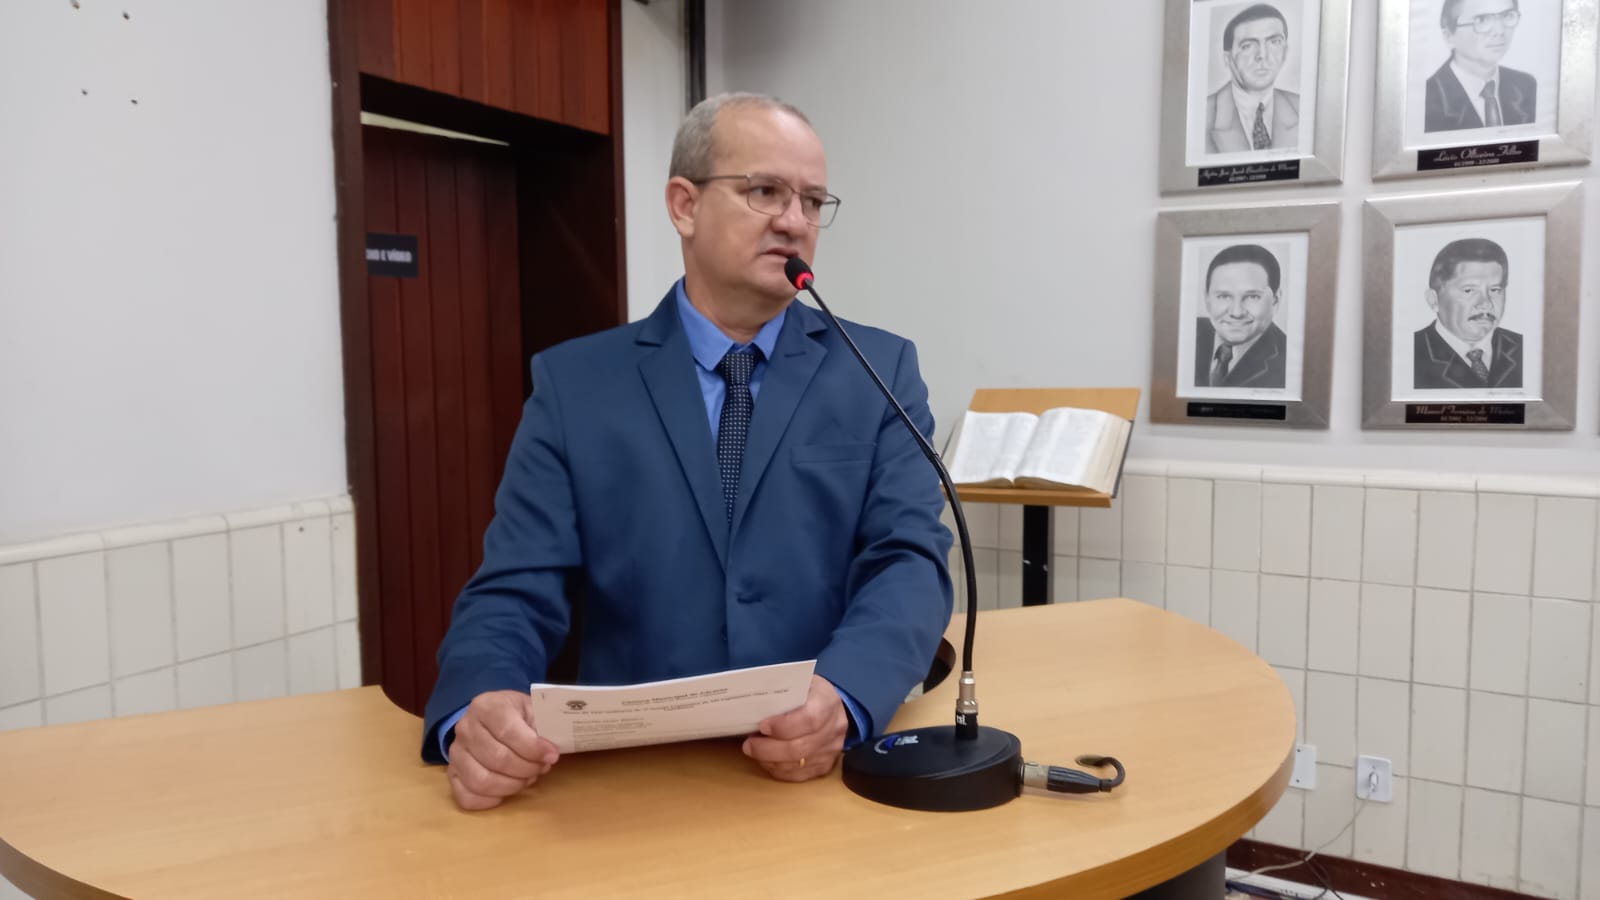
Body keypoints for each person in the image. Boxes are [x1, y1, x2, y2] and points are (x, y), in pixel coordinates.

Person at [420, 92, 955, 811]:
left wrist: (847, 695)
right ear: (684, 205)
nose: (794, 221)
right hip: (633, 784)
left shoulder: (877, 369)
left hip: (813, 770)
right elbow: (516, 585)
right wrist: (482, 701)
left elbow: (910, 559)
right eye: (765, 191)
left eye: (812, 201)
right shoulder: (576, 383)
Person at [1413, 237, 1523, 389]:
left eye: (1495, 290)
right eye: (1469, 290)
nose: (1486, 303)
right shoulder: (1411, 354)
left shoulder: (1522, 347)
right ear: (1434, 300)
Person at [1423, 0, 1534, 132]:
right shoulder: (1427, 98)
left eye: (1507, 16)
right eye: (1482, 20)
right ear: (1449, 36)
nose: (1500, 31)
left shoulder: (1527, 86)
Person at [1205, 3, 1301, 154]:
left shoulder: (1303, 108)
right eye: (1247, 46)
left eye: (1274, 42)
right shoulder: (1203, 115)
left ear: (1285, 52)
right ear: (1227, 58)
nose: (1262, 55)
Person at [1194, 243, 1289, 390]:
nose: (1237, 312)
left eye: (1252, 297)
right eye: (1223, 296)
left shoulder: (1288, 363)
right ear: (1207, 299)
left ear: (1275, 300)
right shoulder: (1185, 335)